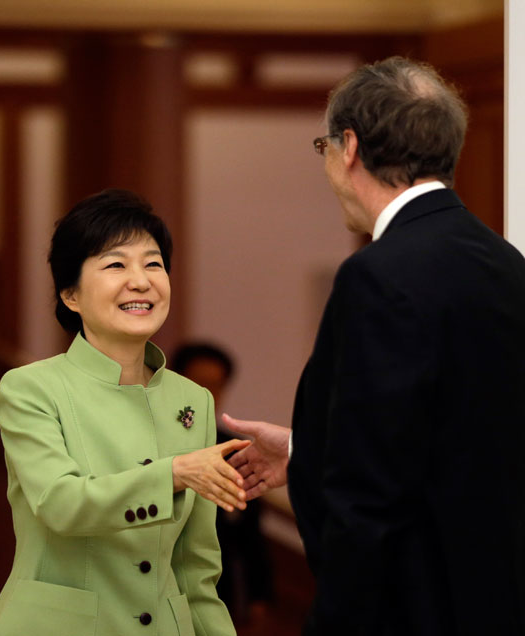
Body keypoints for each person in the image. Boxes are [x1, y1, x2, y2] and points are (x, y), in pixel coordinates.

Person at [224, 56, 525, 635]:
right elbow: (456, 439)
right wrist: (305, 451)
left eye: (324, 147)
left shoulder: (379, 275)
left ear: (351, 148)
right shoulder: (506, 264)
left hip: (412, 611)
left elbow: (371, 490)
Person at [0, 189, 248, 636]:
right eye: (115, 265)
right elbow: (60, 504)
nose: (141, 281)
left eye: (153, 264)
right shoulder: (30, 388)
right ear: (71, 294)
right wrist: (173, 473)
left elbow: (196, 568)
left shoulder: (193, 401)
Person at [172, 343, 274, 626]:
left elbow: (250, 530)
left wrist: (259, 595)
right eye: (197, 382)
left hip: (216, 586)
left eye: (215, 385)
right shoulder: (148, 438)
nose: (206, 393)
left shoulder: (233, 450)